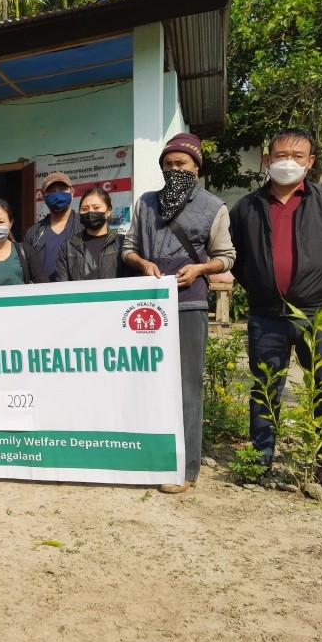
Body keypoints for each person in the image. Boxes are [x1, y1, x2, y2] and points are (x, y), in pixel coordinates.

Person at [229, 128, 322, 493]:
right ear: (267, 160)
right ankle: (261, 454)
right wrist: (260, 284)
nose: (288, 162)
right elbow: (238, 257)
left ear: (310, 162)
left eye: (297, 156)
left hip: (317, 315)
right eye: (280, 155)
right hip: (266, 315)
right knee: (265, 388)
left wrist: (321, 286)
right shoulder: (246, 206)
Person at [122, 132, 236, 494]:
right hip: (148, 303)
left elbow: (226, 256)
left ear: (196, 167)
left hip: (189, 303)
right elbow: (129, 247)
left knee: (186, 385)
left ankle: (185, 469)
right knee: (146, 382)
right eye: (169, 164)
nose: (175, 169)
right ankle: (148, 457)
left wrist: (201, 270)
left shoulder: (214, 206)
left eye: (182, 164)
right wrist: (141, 262)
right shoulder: (146, 203)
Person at [55, 187, 126, 281]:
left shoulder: (123, 243)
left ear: (108, 211)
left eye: (96, 208)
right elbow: (62, 284)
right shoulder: (69, 246)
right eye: (85, 208)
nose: (90, 212)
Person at [24, 172, 83, 281]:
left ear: (72, 192)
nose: (57, 194)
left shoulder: (84, 226)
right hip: (44, 295)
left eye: (62, 189)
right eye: (51, 191)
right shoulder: (33, 233)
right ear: (43, 197)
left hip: (78, 293)